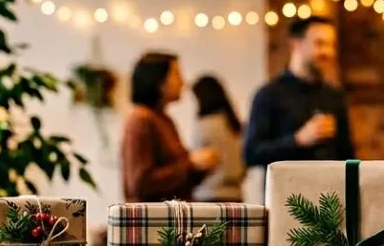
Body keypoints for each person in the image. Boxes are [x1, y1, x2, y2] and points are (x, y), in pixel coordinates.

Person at [243, 16, 354, 169]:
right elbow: (251, 154)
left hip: (329, 184)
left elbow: (347, 154)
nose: (328, 52)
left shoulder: (334, 96)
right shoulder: (268, 95)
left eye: (331, 45)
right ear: (296, 43)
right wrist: (298, 140)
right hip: (285, 184)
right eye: (320, 43)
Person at [121, 52, 218, 202]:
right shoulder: (140, 119)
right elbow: (140, 183)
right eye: (177, 75)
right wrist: (190, 164)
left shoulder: (164, 119)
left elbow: (179, 183)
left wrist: (201, 167)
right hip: (150, 215)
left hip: (170, 212)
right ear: (158, 81)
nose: (183, 83)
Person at [191, 75, 245, 202]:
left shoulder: (204, 125)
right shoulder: (235, 125)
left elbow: (196, 163)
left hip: (209, 193)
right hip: (235, 194)